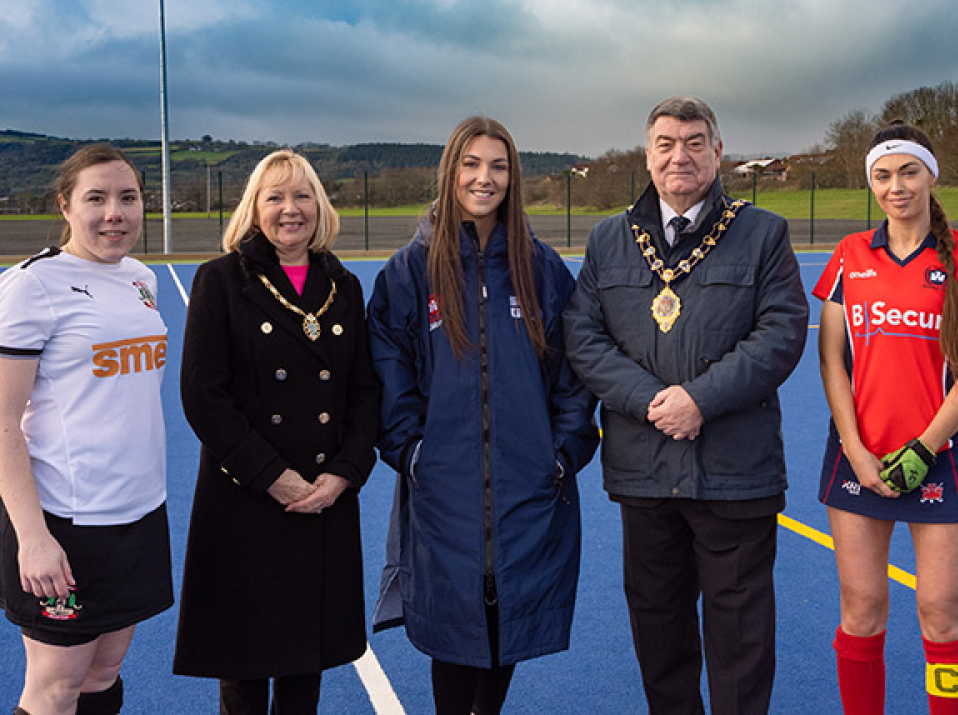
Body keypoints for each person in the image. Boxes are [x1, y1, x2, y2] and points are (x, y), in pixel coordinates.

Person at [562, 96, 809, 714]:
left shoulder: (763, 233)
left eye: (696, 142)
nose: (681, 155)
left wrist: (700, 400)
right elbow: (583, 338)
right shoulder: (609, 239)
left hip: (734, 473)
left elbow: (781, 333)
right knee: (659, 632)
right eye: (667, 143)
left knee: (742, 643)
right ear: (647, 156)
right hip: (644, 473)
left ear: (718, 152)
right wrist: (651, 400)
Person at [368, 116, 599, 715]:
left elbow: (574, 375)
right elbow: (389, 379)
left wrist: (561, 454)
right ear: (450, 172)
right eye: (471, 164)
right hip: (445, 489)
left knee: (507, 623)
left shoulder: (541, 268)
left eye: (498, 166)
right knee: (455, 630)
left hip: (528, 485)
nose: (484, 177)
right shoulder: (409, 272)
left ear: (512, 177)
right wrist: (415, 454)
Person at [172, 150, 380, 713]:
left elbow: (364, 391)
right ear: (254, 209)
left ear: (320, 205)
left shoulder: (343, 285)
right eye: (275, 197)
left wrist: (344, 473)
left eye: (302, 195)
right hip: (245, 498)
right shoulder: (220, 280)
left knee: (303, 661)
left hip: (322, 499)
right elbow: (202, 396)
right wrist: (273, 477)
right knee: (244, 669)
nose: (291, 209)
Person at [814, 122, 958, 715]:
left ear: (930, 175)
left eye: (908, 171)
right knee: (861, 611)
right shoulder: (851, 255)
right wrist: (855, 447)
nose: (897, 187)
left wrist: (923, 447)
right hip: (858, 459)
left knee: (942, 616)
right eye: (883, 175)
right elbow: (832, 363)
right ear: (872, 183)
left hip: (939, 458)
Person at [0, 144, 173, 715]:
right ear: (66, 206)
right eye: (95, 198)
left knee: (104, 670)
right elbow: (1, 421)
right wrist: (33, 536)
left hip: (139, 511)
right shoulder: (32, 285)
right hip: (66, 522)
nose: (114, 213)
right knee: (55, 687)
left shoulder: (141, 278)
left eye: (128, 198)